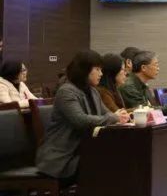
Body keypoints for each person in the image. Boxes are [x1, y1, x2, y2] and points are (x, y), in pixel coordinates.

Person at [36, 51, 129, 182]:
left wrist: (116, 116)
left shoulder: (93, 91)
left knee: (120, 156)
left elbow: (107, 113)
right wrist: (114, 117)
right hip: (63, 157)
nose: (101, 74)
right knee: (109, 162)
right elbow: (80, 120)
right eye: (97, 69)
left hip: (84, 150)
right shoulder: (66, 92)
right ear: (84, 70)